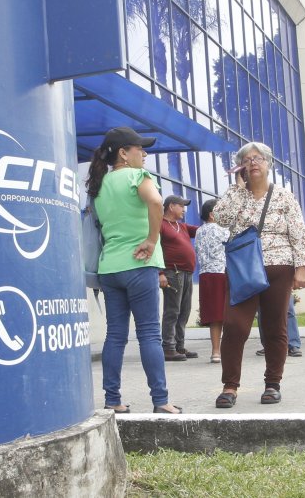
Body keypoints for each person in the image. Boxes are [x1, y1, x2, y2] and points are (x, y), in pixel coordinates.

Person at [87, 126, 183, 414]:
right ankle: (161, 400)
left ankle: (112, 399)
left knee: (115, 335)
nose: (144, 153)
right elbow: (155, 202)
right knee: (150, 334)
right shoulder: (137, 176)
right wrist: (152, 240)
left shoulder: (97, 185)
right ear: (123, 154)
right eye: (139, 148)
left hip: (109, 267)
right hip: (139, 263)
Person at [213, 141, 305, 408]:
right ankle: (230, 385)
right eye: (247, 159)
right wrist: (237, 188)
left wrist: (302, 267)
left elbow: (298, 232)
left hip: (279, 266)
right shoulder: (236, 195)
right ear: (241, 167)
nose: (253, 162)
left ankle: (272, 384)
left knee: (274, 327)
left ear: (268, 164)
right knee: (235, 325)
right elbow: (219, 218)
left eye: (258, 158)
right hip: (244, 268)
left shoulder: (284, 196)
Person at [159, 195, 199, 361]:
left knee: (184, 311)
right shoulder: (160, 224)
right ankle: (168, 347)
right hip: (172, 273)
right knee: (172, 311)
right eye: (181, 206)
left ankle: (179, 346)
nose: (184, 210)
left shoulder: (181, 226)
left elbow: (201, 230)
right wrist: (160, 273)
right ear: (171, 206)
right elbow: (155, 248)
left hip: (187, 273)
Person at [194, 198, 229, 364]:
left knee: (214, 316)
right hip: (221, 274)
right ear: (212, 215)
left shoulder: (199, 231)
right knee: (227, 313)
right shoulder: (220, 230)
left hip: (204, 275)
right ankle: (228, 350)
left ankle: (216, 351)